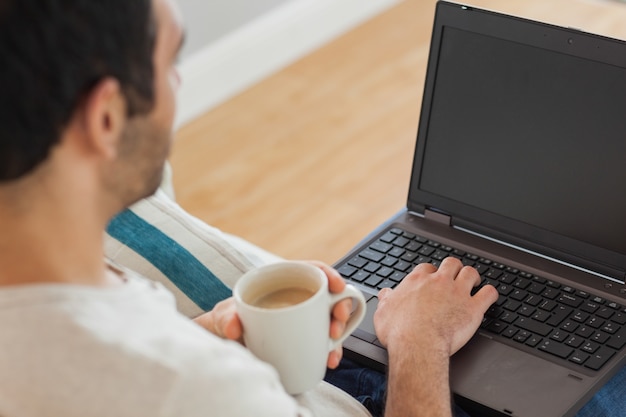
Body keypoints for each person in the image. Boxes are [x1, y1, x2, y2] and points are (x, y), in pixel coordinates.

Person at [0, 1, 622, 416]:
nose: (179, 87)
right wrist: (418, 340)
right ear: (106, 117)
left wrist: (215, 333)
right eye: (168, 64)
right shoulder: (189, 389)